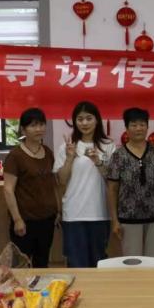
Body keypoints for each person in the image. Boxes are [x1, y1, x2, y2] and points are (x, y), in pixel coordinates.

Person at [55, 101, 114, 267]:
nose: (85, 123)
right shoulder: (66, 147)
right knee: (76, 264)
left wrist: (98, 162)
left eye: (89, 118)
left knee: (99, 263)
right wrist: (69, 158)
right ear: (74, 122)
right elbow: (61, 180)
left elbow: (112, 180)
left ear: (97, 120)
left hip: (100, 213)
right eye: (80, 119)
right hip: (73, 214)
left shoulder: (108, 146)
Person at [107, 107, 154, 257]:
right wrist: (115, 220)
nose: (138, 128)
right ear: (126, 128)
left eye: (142, 124)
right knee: (132, 261)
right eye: (134, 125)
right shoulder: (118, 156)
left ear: (147, 126)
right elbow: (112, 189)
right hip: (128, 217)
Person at [2, 108, 58, 268]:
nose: (38, 129)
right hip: (25, 221)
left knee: (42, 263)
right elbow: (8, 190)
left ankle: (39, 286)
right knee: (21, 266)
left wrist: (57, 211)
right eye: (33, 125)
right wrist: (17, 219)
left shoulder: (48, 152)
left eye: (41, 124)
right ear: (23, 129)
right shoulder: (15, 156)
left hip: (47, 219)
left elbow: (52, 184)